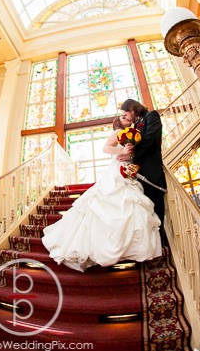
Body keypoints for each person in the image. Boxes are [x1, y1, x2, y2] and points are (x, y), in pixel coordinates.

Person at [41, 115, 162, 272]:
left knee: (132, 203)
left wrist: (129, 154)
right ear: (119, 123)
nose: (128, 118)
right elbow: (105, 148)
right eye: (124, 117)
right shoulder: (118, 131)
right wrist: (123, 150)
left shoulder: (131, 133)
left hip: (126, 168)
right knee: (113, 201)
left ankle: (131, 248)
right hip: (116, 171)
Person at [117, 99, 167, 235]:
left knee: (156, 205)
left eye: (126, 114)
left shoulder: (151, 115)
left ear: (132, 110)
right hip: (139, 170)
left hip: (151, 168)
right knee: (145, 207)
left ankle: (161, 239)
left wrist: (133, 153)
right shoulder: (136, 123)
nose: (126, 117)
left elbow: (151, 138)